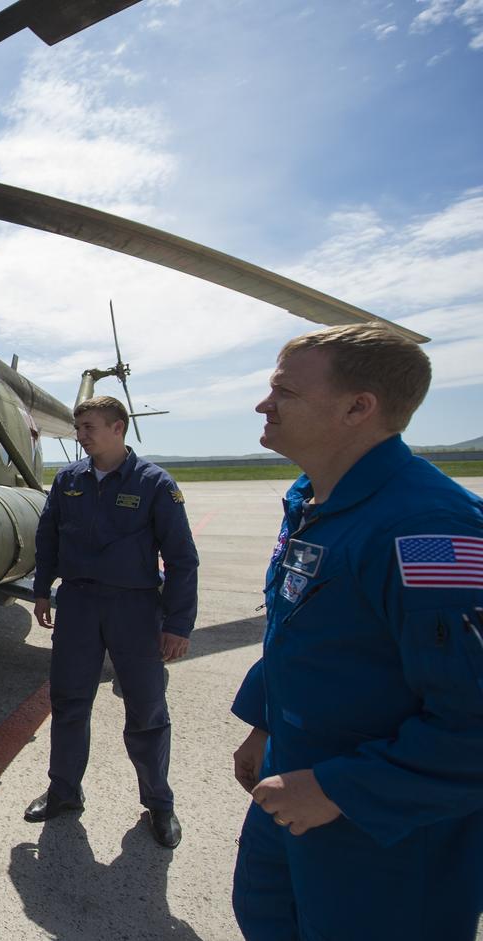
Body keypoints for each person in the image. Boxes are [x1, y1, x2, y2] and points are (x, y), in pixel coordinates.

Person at [230, 324, 483, 941]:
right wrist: (264, 725)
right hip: (293, 785)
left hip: (385, 830)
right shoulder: (313, 501)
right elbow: (298, 628)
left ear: (357, 407)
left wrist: (339, 788)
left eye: (283, 391)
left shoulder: (427, 530)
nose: (265, 405)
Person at [26, 395, 197, 849]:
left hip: (135, 609)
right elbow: (48, 538)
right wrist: (42, 590)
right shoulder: (68, 482)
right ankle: (64, 791)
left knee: (146, 711)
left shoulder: (155, 483)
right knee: (68, 702)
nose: (80, 436)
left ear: (118, 428)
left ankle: (159, 804)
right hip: (78, 605)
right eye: (79, 427)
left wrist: (178, 624)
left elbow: (182, 558)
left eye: (89, 428)